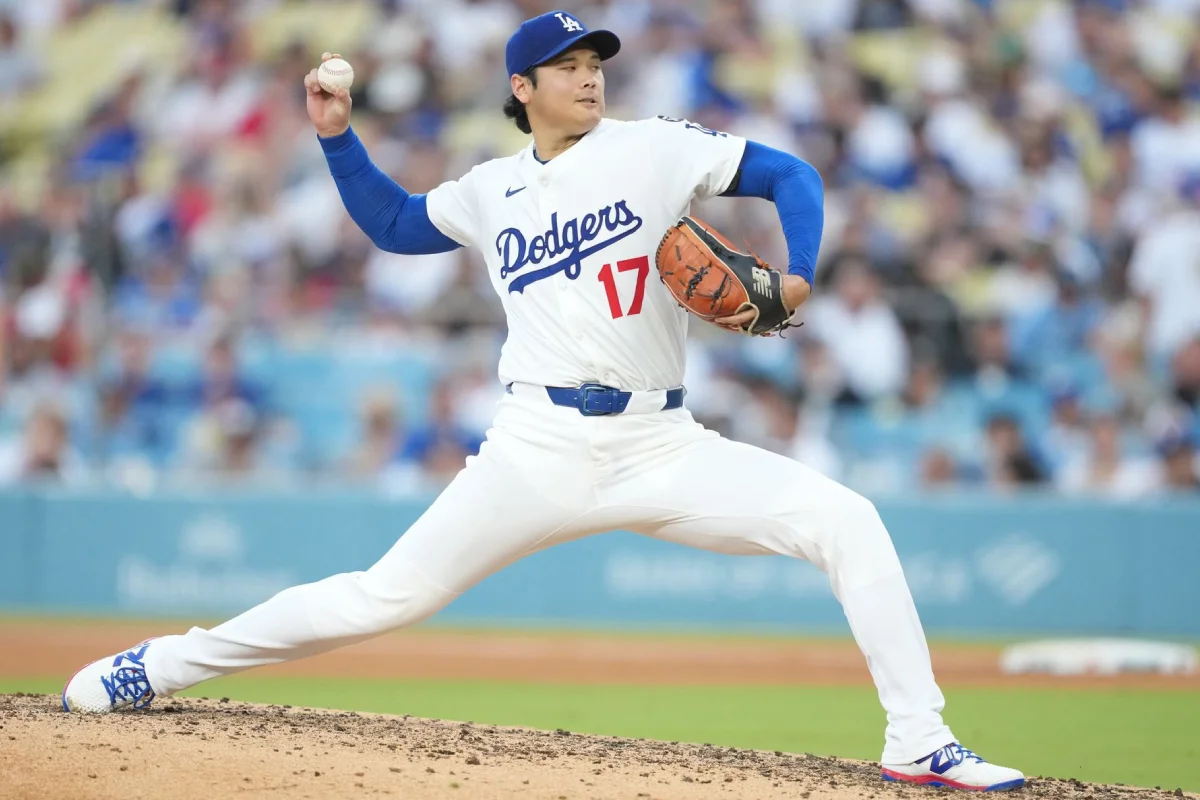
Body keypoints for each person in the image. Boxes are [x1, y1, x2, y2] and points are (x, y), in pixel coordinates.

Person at [62, 10, 1023, 792]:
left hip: (662, 442)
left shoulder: (654, 148)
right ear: (522, 88)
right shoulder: (491, 190)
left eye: (595, 63)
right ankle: (161, 664)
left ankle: (919, 741)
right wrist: (337, 135)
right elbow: (395, 224)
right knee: (382, 598)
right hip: (536, 445)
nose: (589, 78)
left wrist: (800, 271)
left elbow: (790, 175)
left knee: (847, 521)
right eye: (567, 67)